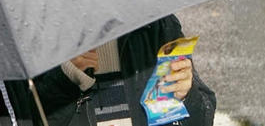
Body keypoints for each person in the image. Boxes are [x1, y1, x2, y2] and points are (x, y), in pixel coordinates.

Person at [22, 15, 216, 126]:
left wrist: (186, 96)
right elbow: (31, 117)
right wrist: (66, 77)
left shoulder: (157, 25)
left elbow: (203, 119)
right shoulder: (41, 33)